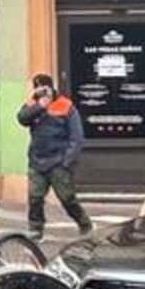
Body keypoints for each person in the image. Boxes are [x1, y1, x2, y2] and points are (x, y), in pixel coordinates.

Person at [16, 73, 91, 241]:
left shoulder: (65, 105)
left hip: (58, 161)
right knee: (35, 198)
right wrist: (39, 106)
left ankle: (84, 224)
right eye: (37, 88)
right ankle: (35, 229)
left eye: (44, 88)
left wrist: (67, 161)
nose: (41, 92)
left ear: (51, 87)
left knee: (67, 198)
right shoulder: (33, 104)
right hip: (37, 161)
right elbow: (22, 119)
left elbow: (77, 136)